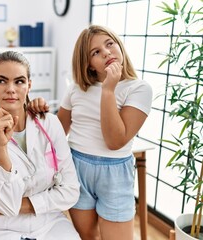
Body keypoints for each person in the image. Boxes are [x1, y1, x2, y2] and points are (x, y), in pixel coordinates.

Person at [29, 25, 153, 240]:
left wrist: (108, 89)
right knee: (87, 237)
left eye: (109, 44)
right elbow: (56, 135)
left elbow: (115, 141)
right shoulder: (77, 88)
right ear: (88, 64)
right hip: (76, 168)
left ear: (119, 46)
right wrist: (39, 112)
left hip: (114, 172)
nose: (106, 52)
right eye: (95, 52)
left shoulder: (138, 89)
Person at [0, 51, 81, 240]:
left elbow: (71, 191)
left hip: (49, 222)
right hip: (0, 227)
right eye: (2, 81)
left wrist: (23, 205)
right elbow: (5, 205)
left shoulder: (50, 123)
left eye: (19, 81)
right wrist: (0, 150)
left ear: (29, 85)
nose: (11, 89)